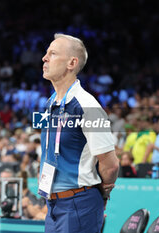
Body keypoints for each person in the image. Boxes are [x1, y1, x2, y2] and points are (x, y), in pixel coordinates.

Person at [39, 33, 119, 233]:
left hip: (79, 203)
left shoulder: (89, 106)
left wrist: (101, 197)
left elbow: (110, 164)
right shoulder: (50, 104)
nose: (44, 58)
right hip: (54, 205)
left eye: (53, 53)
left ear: (71, 63)